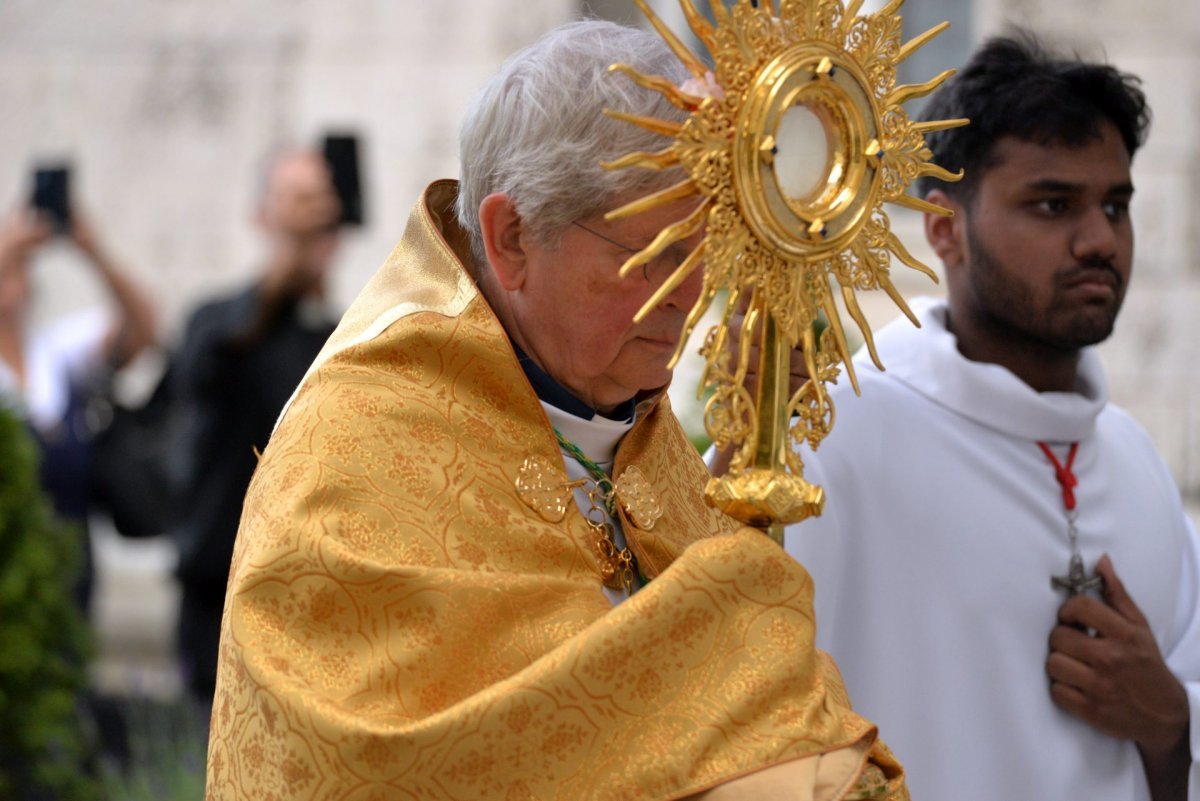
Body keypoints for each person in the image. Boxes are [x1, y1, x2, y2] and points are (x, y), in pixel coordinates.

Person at [206, 21, 908, 801]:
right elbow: (395, 760)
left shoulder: (606, 395)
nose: (689, 295)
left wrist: (739, 470)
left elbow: (643, 618)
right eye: (655, 254)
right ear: (511, 238)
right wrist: (737, 598)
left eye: (706, 251)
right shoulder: (356, 443)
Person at [782, 34, 1198, 801]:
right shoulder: (836, 438)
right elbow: (724, 685)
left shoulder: (1136, 461)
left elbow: (1175, 745)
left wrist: (1171, 720)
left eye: (1115, 205)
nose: (1100, 239)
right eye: (1052, 204)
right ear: (944, 228)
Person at [170, 147, 343, 714]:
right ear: (261, 218)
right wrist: (285, 267)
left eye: (320, 201)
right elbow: (201, 372)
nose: (311, 218)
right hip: (218, 588)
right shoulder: (220, 319)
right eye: (297, 201)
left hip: (309, 600)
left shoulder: (342, 338)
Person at [0, 205, 157, 612]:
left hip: (69, 574)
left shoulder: (53, 356)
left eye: (16, 269)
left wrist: (93, 251)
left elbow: (143, 328)